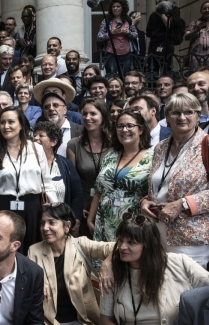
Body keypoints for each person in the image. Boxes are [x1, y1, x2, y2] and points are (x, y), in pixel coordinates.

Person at [140, 92, 209, 267]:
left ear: (198, 116)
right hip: (157, 233)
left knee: (186, 292)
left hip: (193, 238)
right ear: (167, 117)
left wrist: (182, 204)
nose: (182, 117)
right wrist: (146, 201)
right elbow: (162, 186)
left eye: (188, 112)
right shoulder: (161, 147)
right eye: (175, 113)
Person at [99, 213, 209, 325]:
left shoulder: (179, 263)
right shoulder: (114, 271)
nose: (122, 247)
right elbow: (105, 321)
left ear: (148, 244)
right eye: (120, 240)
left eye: (131, 242)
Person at [27, 203, 115, 325]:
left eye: (51, 222)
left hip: (80, 324)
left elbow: (118, 247)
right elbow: (26, 281)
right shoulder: (34, 251)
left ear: (67, 226)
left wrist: (107, 263)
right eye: (42, 223)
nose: (45, 227)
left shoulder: (80, 244)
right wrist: (35, 283)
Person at [0, 106, 57, 253]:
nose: (6, 126)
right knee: (6, 250)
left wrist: (54, 210)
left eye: (11, 122)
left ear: (21, 124)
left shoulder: (36, 149)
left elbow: (47, 183)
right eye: (3, 122)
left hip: (32, 207)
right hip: (4, 207)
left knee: (33, 250)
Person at [87, 109, 152, 245]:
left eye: (130, 125)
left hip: (134, 227)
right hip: (104, 225)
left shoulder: (153, 157)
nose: (124, 130)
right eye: (120, 126)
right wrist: (90, 220)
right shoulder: (110, 156)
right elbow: (99, 191)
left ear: (140, 130)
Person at [67, 98, 113, 237]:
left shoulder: (116, 144)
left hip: (110, 205)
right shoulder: (74, 145)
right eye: (84, 114)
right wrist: (78, 208)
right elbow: (72, 182)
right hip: (84, 207)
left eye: (93, 114)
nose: (87, 118)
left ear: (103, 116)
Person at [33, 122, 83, 230]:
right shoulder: (27, 164)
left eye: (41, 135)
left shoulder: (65, 164)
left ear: (54, 142)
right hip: (34, 222)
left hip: (60, 223)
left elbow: (77, 194)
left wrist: (76, 221)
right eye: (34, 135)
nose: (35, 138)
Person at [97, 0, 138, 76]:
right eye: (113, 6)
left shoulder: (128, 20)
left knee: (126, 76)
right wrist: (111, 33)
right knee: (112, 77)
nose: (115, 8)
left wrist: (128, 33)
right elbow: (99, 37)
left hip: (127, 54)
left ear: (123, 8)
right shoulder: (107, 21)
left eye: (118, 6)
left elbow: (135, 35)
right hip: (111, 54)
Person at [145, 0, 181, 74]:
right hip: (153, 47)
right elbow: (149, 35)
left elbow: (169, 25)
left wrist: (161, 13)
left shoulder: (174, 10)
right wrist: (146, 53)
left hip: (167, 45)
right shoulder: (153, 15)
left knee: (166, 73)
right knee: (152, 74)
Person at [40, 92, 83, 157]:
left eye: (55, 105)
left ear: (65, 109)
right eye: (46, 107)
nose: (51, 109)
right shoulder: (38, 134)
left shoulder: (80, 131)